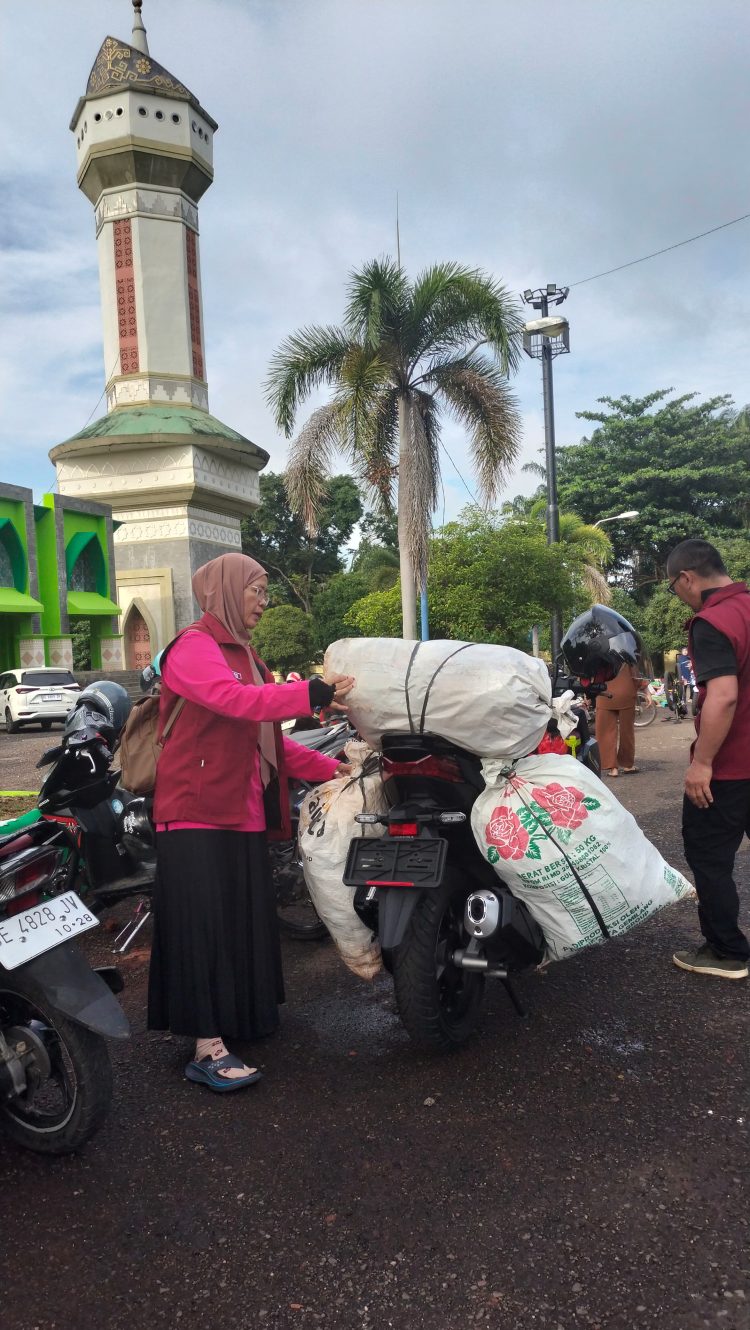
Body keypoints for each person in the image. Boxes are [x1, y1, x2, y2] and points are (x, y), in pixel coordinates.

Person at [147, 552, 355, 1089]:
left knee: (240, 920)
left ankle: (239, 1019)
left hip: (238, 812)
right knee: (203, 927)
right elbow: (232, 701)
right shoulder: (194, 648)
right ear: (224, 590)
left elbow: (271, 743)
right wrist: (309, 691)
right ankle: (206, 1047)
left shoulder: (247, 655)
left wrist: (340, 767)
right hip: (192, 812)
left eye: (266, 591)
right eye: (255, 591)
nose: (263, 601)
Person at [666, 539, 750, 980]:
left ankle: (726, 952)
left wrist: (702, 763)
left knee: (710, 858)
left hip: (732, 769)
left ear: (687, 578)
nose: (677, 595)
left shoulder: (711, 621)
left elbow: (724, 695)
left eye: (673, 587)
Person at [595, 661, 640, 777]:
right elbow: (636, 676)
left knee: (605, 732)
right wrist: (647, 691)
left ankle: (612, 768)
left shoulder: (600, 653)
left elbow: (590, 675)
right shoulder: (626, 652)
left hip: (604, 694)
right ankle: (627, 765)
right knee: (627, 731)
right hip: (626, 693)